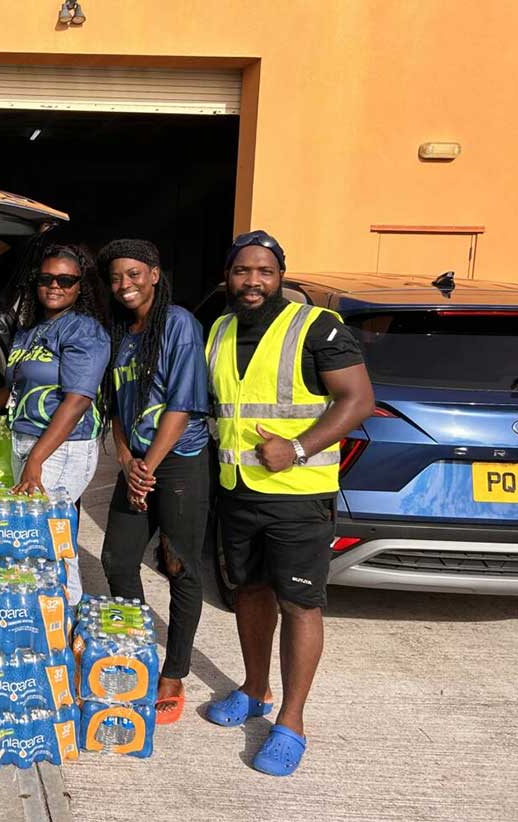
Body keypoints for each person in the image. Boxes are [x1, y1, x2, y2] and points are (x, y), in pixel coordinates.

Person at [202, 230, 374, 776]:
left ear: (280, 276)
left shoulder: (316, 325)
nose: (252, 281)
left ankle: (291, 723)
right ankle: (255, 690)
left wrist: (298, 449)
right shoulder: (220, 330)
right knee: (249, 593)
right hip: (238, 493)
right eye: (242, 271)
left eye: (264, 272)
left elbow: (358, 399)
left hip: (299, 498)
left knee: (300, 605)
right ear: (228, 277)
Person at [97, 239, 211, 727]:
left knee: (178, 563)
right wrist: (125, 457)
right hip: (137, 460)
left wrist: (149, 466)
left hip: (180, 460)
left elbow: (182, 406)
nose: (125, 285)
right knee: (117, 558)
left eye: (134, 274)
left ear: (155, 275)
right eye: (117, 277)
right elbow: (116, 402)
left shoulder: (179, 323)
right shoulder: (120, 331)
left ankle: (174, 672)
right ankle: (138, 651)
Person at [0, 244, 111, 605]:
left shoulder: (83, 331)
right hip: (26, 441)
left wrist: (37, 460)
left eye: (65, 280)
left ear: (79, 286)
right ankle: (37, 616)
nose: (54, 286)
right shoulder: (30, 331)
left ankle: (64, 617)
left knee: (49, 537)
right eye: (46, 279)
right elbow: (14, 388)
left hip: (62, 447)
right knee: (31, 536)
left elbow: (77, 400)